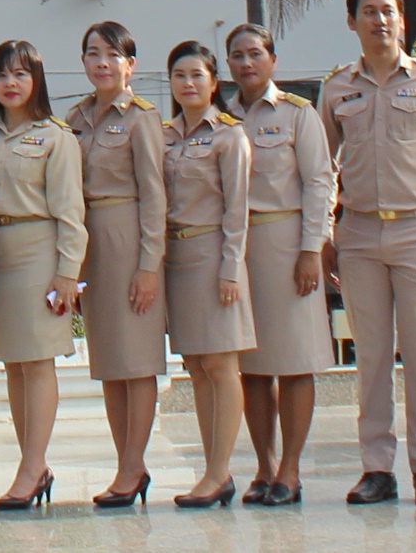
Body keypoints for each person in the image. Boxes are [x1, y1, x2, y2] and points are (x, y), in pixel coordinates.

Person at [319, 0, 416, 508]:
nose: (379, 21)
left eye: (387, 11)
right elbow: (323, 171)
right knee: (372, 356)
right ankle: (376, 468)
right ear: (352, 22)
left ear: (401, 20)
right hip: (358, 233)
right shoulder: (337, 88)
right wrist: (324, 234)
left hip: (415, 230)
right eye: (368, 12)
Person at [225, 22, 335, 506]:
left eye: (254, 54)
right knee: (250, 366)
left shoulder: (298, 115)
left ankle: (290, 469)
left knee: (293, 363)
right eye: (236, 56)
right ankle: (264, 466)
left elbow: (320, 183)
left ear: (272, 60)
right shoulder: (219, 117)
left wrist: (312, 248)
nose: (246, 63)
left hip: (287, 244)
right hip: (235, 248)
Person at [0, 39, 84, 511]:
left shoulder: (56, 137)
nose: (11, 83)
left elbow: (70, 214)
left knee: (38, 362)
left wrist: (67, 275)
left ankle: (32, 466)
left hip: (38, 255)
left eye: (21, 74)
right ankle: (31, 464)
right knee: (14, 365)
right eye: (3, 75)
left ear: (37, 81)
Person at [69, 19, 167, 510]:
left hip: (128, 239)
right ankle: (125, 462)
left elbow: (155, 195)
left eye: (112, 54)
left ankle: (133, 466)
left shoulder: (142, 118)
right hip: (90, 246)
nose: (101, 62)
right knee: (108, 363)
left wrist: (149, 265)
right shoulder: (76, 118)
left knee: (137, 360)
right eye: (92, 53)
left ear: (130, 65)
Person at [160, 42, 255, 509]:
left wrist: (231, 268)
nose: (188, 83)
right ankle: (211, 469)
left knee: (221, 364)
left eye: (197, 74)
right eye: (179, 75)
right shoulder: (163, 135)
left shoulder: (229, 136)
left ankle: (220, 471)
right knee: (196, 367)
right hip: (175, 258)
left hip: (214, 253)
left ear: (214, 82)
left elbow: (238, 210)